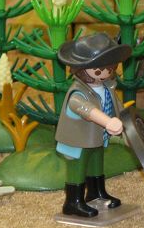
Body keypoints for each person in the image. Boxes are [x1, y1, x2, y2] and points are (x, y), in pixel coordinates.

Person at [55, 33, 132, 218]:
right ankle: (73, 202)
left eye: (109, 69)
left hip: (97, 137)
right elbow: (88, 110)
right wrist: (108, 122)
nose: (105, 74)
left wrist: (125, 120)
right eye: (99, 71)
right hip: (78, 141)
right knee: (78, 168)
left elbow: (116, 106)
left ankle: (96, 192)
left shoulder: (107, 88)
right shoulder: (77, 93)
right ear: (82, 70)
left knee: (97, 164)